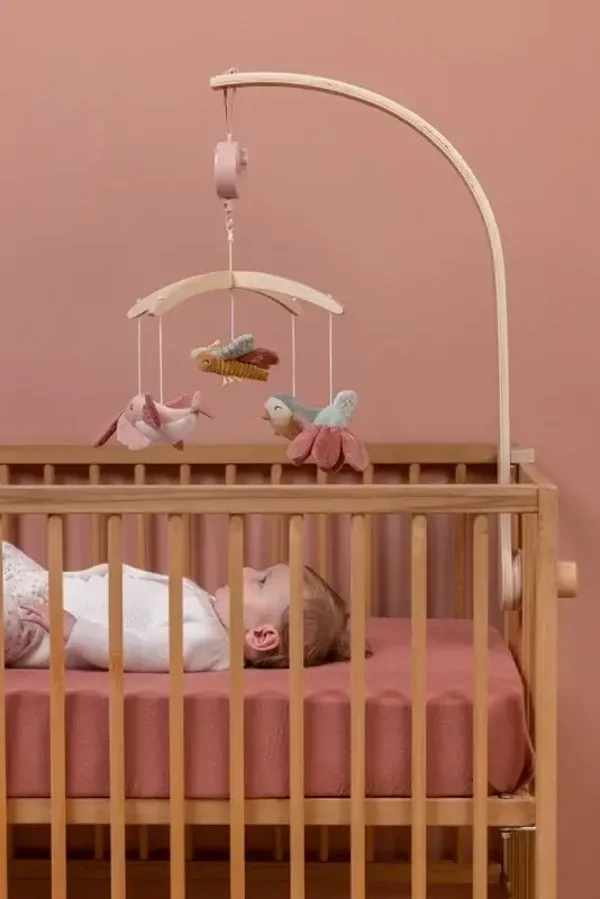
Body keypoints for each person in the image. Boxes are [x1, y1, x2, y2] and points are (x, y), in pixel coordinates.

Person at [14, 554, 352, 672]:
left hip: (40, 628)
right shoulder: (209, 612)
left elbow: (140, 651)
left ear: (261, 635)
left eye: (260, 582)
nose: (246, 570)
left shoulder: (209, 641)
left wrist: (75, 630)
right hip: (44, 586)